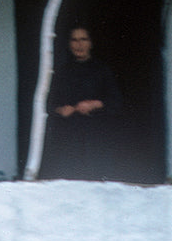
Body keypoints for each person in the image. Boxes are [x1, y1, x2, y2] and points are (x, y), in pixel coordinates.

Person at [42, 25, 123, 179]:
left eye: (83, 39)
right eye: (74, 40)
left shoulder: (102, 70)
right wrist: (61, 110)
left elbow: (116, 102)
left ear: (91, 43)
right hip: (69, 139)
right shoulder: (61, 72)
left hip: (96, 138)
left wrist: (94, 104)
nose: (79, 44)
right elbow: (48, 103)